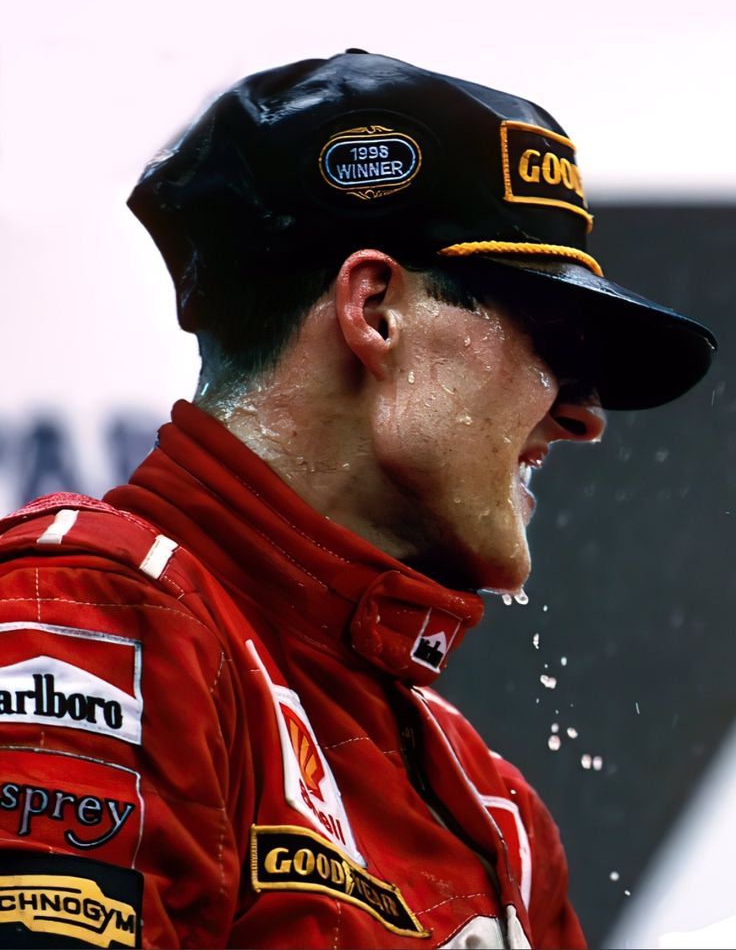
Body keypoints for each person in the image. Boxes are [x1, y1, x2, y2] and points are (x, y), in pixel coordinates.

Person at [0, 50, 716, 950]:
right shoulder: (87, 616)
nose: (583, 415)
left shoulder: (495, 811)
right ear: (374, 309)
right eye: (553, 336)